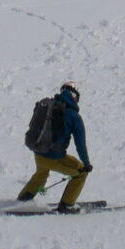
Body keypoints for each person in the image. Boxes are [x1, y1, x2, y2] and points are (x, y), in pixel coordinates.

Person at [18, 81, 91, 210]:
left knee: (41, 174)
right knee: (80, 173)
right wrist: (86, 163)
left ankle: (23, 198)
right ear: (75, 96)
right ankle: (67, 205)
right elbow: (80, 144)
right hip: (54, 158)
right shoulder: (74, 116)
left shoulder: (49, 107)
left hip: (39, 153)